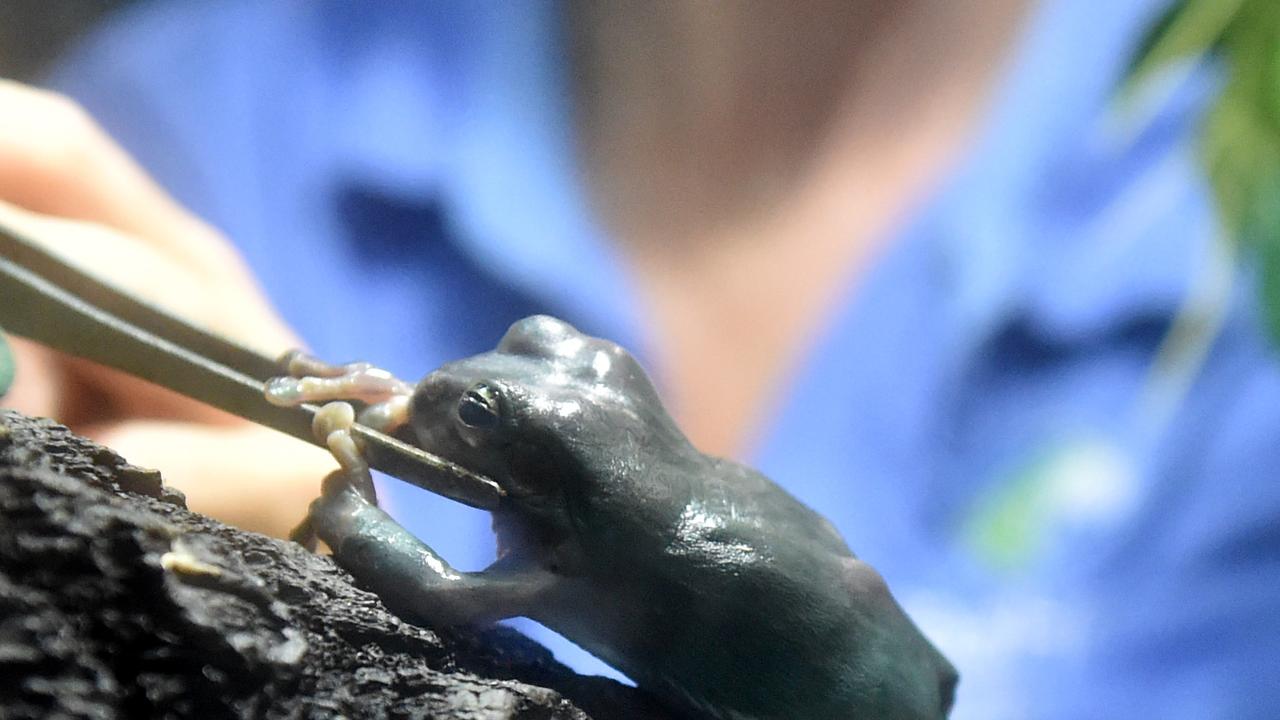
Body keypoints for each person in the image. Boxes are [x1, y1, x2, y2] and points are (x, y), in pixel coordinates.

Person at [1, 1, 1276, 717]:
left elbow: (434, 591)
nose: (453, 408)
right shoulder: (198, 106)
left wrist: (332, 511)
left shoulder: (1240, 172)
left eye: (491, 420)